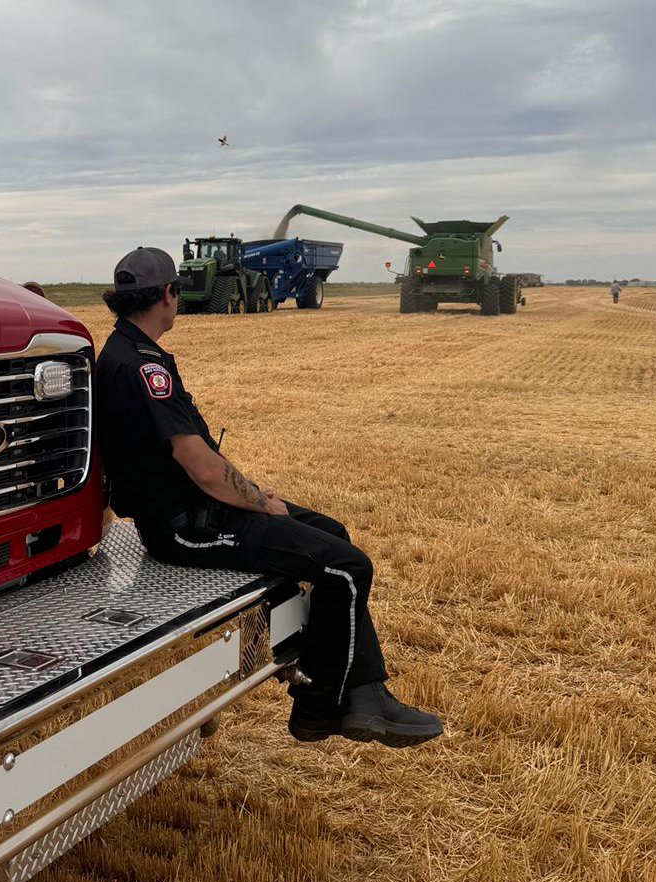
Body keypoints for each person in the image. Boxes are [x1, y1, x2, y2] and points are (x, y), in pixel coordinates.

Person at [94, 247, 443, 748]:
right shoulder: (143, 368)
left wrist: (255, 494)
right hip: (186, 529)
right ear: (169, 294)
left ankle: (365, 695)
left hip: (202, 510)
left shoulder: (126, 352)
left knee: (333, 537)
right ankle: (321, 708)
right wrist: (260, 502)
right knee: (348, 567)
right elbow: (199, 464)